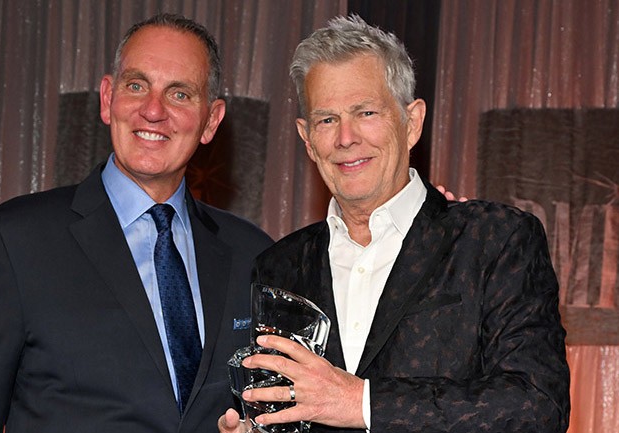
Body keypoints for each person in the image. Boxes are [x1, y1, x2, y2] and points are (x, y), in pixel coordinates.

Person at [219, 15, 569, 433]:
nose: (346, 137)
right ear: (308, 139)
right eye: (327, 119)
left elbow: (537, 406)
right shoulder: (279, 266)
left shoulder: (496, 239)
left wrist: (360, 402)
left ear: (413, 122)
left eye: (366, 112)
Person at [0, 13, 274, 433]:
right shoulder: (12, 242)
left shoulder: (254, 255)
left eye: (180, 94)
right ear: (108, 98)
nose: (153, 110)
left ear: (211, 120)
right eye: (136, 86)